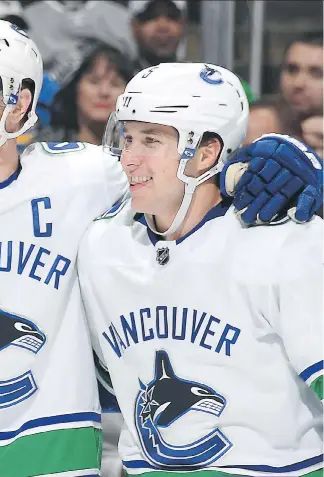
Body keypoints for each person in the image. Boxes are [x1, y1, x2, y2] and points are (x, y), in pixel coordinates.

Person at [0, 20, 321, 477]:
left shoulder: (88, 180)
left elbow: (186, 170)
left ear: (19, 102)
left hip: (51, 466)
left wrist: (273, 160)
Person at [77, 63, 323, 476]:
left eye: (151, 141)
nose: (130, 159)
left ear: (207, 151)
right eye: (128, 138)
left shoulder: (285, 241)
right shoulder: (100, 246)